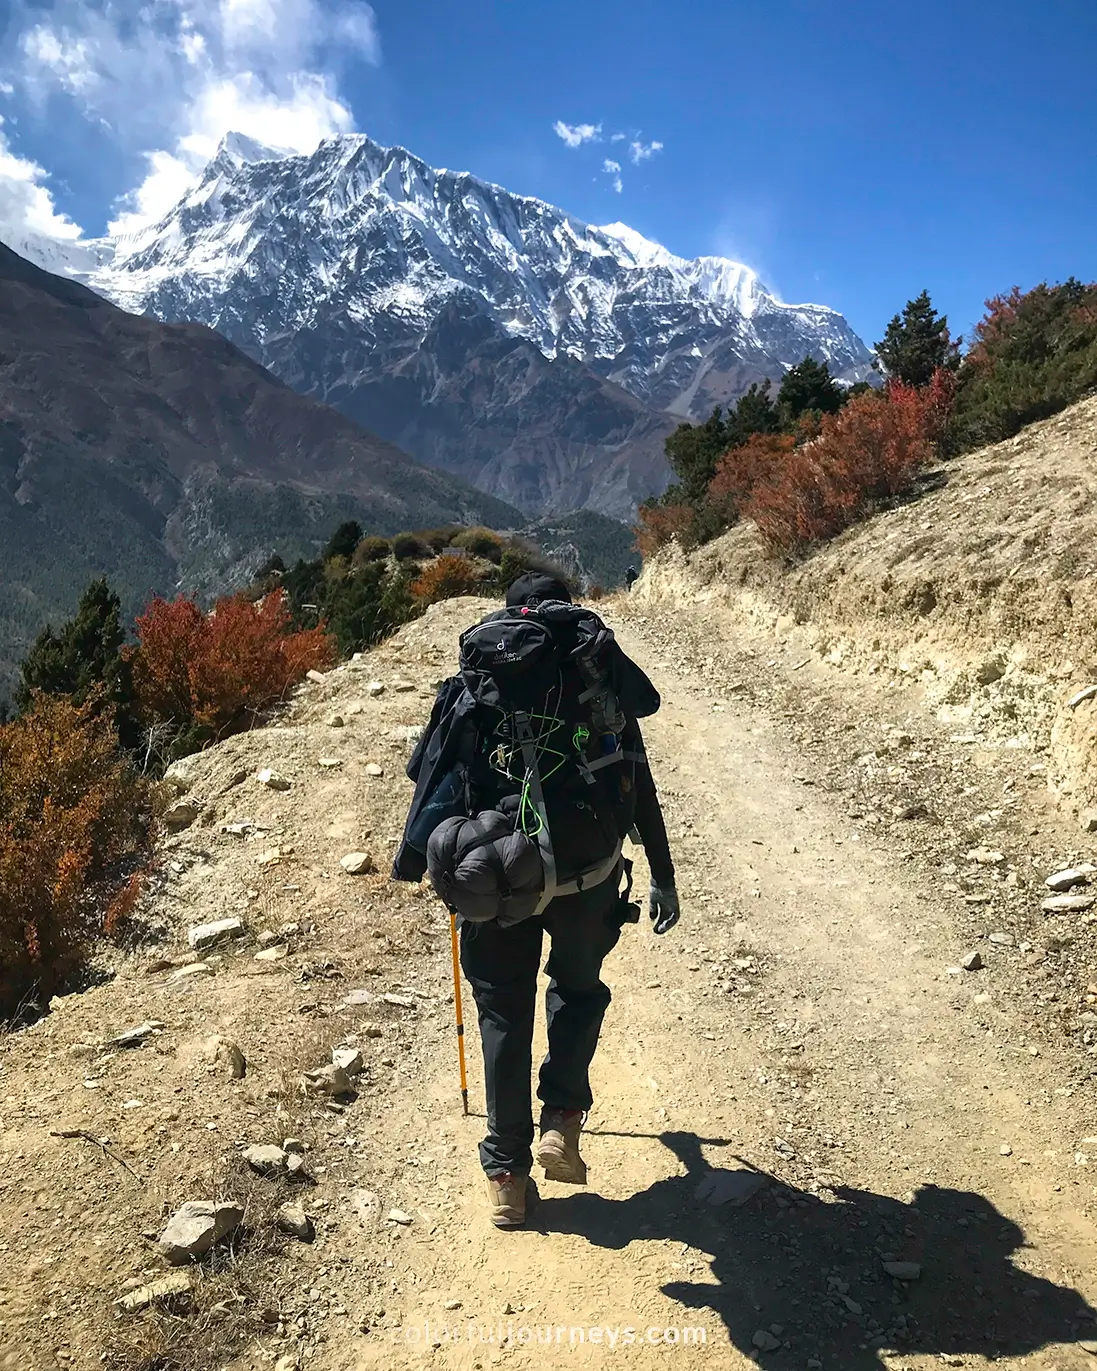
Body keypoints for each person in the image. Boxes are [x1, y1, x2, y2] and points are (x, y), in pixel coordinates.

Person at [393, 572, 679, 1228]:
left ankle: (504, 1175)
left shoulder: (474, 685)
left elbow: (426, 775)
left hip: (493, 878)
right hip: (586, 873)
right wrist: (661, 874)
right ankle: (562, 1117)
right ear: (564, 609)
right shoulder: (592, 677)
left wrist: (430, 865)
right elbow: (638, 788)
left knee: (502, 1013)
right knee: (577, 992)